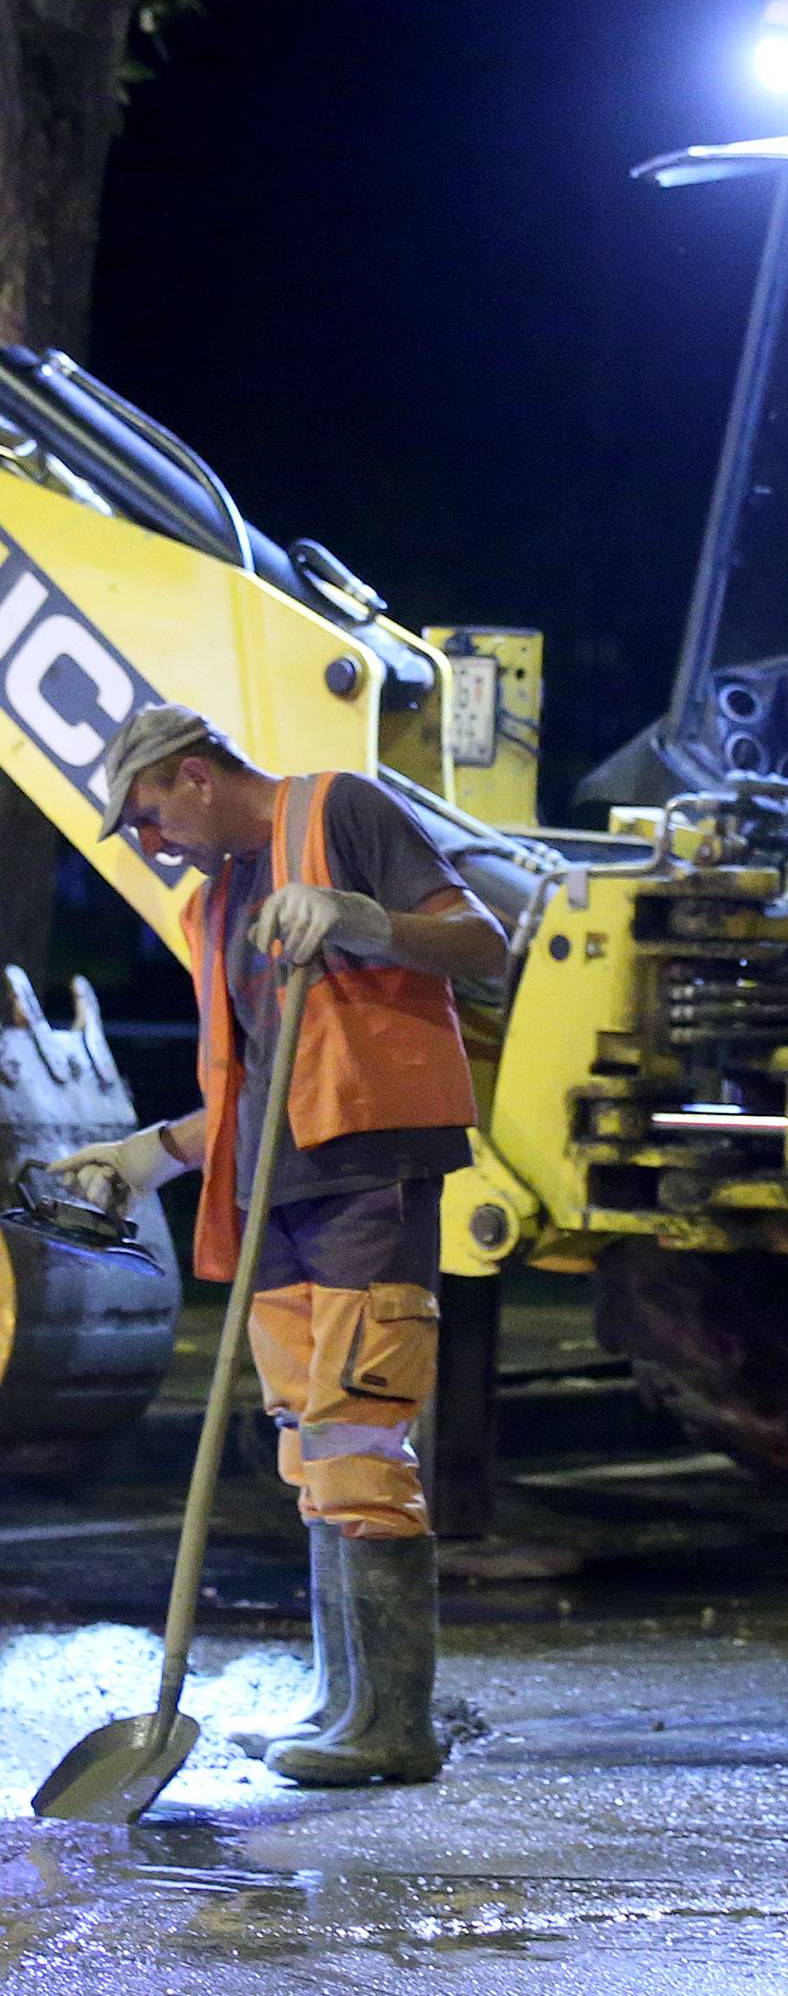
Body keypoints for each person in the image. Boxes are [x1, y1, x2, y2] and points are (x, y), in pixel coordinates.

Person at [53, 705, 508, 1786]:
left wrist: (361, 915)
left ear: (197, 775)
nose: (154, 845)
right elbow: (250, 1084)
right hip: (279, 1195)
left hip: (362, 1181)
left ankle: (394, 1725)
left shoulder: (337, 810)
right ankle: (341, 1703)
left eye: (152, 818)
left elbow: (484, 943)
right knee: (316, 1450)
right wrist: (148, 1154)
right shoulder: (222, 904)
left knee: (361, 1441)